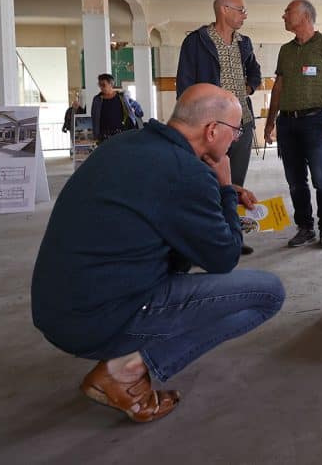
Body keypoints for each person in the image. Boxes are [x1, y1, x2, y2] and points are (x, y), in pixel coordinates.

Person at [31, 84, 285, 423]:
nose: (234, 141)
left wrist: (214, 195)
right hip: (96, 319)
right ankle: (125, 371)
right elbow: (224, 258)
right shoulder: (187, 174)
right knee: (267, 294)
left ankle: (124, 361)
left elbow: (158, 200)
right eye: (235, 132)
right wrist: (223, 187)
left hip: (57, 308)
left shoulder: (125, 144)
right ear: (212, 131)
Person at [176, 0, 262, 254]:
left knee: (235, 182)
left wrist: (249, 86)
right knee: (207, 182)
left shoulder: (244, 43)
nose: (245, 15)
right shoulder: (196, 42)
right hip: (211, 127)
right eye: (241, 10)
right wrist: (194, 125)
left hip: (242, 124)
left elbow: (255, 71)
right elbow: (185, 84)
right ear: (224, 10)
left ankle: (230, 237)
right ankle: (203, 240)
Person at [264, 0, 322, 249]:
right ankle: (305, 227)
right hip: (288, 123)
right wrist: (270, 122)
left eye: (288, 11)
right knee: (295, 180)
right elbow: (278, 87)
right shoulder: (285, 50)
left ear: (306, 16)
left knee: (321, 178)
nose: (284, 16)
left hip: (317, 121)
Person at [91, 74, 142, 143]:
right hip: (104, 135)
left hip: (122, 133)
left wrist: (138, 113)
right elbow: (94, 118)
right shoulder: (97, 100)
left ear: (111, 84)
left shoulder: (122, 97)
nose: (101, 87)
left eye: (103, 85)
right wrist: (95, 134)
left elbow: (135, 105)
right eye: (99, 85)